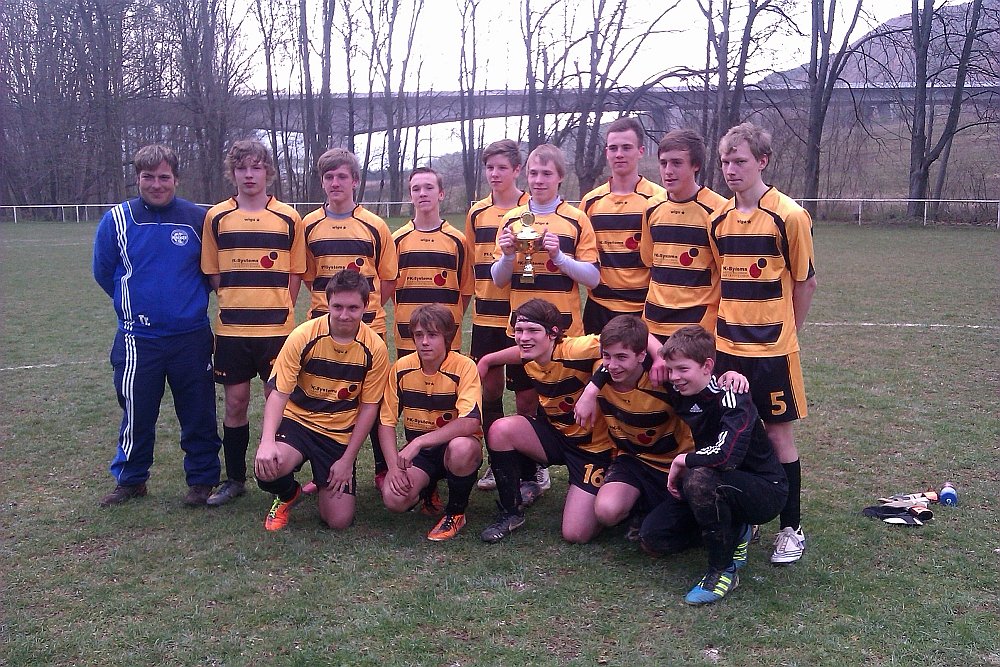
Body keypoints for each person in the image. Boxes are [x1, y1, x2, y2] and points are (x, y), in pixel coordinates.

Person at [709, 122, 818, 564]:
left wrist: (791, 332)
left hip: (773, 350)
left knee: (776, 435)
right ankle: (749, 514)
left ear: (762, 161)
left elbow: (805, 282)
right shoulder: (719, 220)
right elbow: (720, 281)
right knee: (736, 432)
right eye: (725, 161)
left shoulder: (789, 215)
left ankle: (791, 528)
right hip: (727, 348)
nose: (730, 169)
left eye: (740, 161)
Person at [93, 144, 222, 507]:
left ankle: (202, 479)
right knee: (137, 411)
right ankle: (131, 479)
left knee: (198, 411)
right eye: (147, 177)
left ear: (176, 179)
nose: (156, 184)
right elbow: (104, 272)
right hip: (138, 338)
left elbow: (211, 271)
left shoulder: (198, 219)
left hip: (190, 337)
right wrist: (136, 304)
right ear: (137, 179)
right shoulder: (117, 220)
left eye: (164, 177)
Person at [201, 139, 307, 506]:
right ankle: (235, 479)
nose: (249, 174)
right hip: (232, 330)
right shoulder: (216, 217)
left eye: (256, 167)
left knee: (278, 401)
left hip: (276, 331)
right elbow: (213, 272)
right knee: (235, 403)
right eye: (242, 168)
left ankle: (281, 475)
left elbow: (295, 273)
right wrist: (236, 300)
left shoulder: (289, 217)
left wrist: (278, 307)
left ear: (268, 172)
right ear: (232, 173)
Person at [652, 325, 787, 604]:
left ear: (707, 366)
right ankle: (737, 529)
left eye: (683, 369)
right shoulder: (679, 387)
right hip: (719, 480)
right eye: (671, 369)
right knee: (654, 537)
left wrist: (683, 460)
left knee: (698, 479)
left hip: (764, 490)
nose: (674, 377)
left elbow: (726, 456)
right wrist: (593, 388)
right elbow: (632, 342)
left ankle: (722, 570)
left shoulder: (732, 394)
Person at [252, 270, 389, 531]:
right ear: (327, 303)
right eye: (337, 307)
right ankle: (288, 494)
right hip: (298, 422)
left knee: (339, 521)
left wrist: (347, 460)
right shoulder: (303, 335)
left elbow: (369, 408)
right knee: (267, 468)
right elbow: (278, 392)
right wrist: (267, 441)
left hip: (337, 433)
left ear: (366, 306)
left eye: (353, 308)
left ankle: (322, 478)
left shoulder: (375, 348)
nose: (344, 315)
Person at [477, 298, 613, 545]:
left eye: (532, 330)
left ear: (553, 333)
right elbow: (517, 353)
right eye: (519, 330)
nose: (523, 338)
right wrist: (488, 360)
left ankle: (613, 488)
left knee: (575, 534)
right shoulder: (531, 352)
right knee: (501, 429)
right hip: (558, 436)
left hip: (592, 450)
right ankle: (511, 512)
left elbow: (622, 341)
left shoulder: (575, 349)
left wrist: (592, 390)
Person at [301, 148, 397, 489]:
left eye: (342, 176)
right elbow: (309, 276)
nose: (335, 183)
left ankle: (382, 469)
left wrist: (362, 312)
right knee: (325, 399)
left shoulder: (374, 225)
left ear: (355, 181)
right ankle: (324, 472)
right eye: (329, 177)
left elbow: (387, 278)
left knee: (373, 399)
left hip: (369, 328)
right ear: (322, 182)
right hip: (322, 328)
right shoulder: (308, 225)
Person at [464, 140, 548, 495]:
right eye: (490, 168)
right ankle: (498, 460)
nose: (494, 174)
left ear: (517, 170)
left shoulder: (530, 208)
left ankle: (534, 465)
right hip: (486, 314)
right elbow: (472, 262)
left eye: (502, 168)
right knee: (489, 391)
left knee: (527, 395)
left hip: (521, 315)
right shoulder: (476, 213)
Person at [378, 305, 483, 541]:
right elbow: (386, 422)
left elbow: (470, 422)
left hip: (452, 447)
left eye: (433, 335)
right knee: (394, 500)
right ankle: (428, 489)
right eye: (419, 335)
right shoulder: (401, 368)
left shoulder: (464, 367)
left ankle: (455, 513)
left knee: (462, 447)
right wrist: (393, 467)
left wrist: (418, 443)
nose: (425, 342)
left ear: (447, 337)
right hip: (421, 454)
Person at [586, 316, 695, 537]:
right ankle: (642, 507)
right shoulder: (598, 372)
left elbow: (703, 381)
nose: (612, 365)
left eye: (621, 357)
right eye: (607, 356)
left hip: (675, 465)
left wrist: (731, 376)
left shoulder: (665, 380)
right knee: (606, 512)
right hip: (633, 461)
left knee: (683, 521)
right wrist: (590, 390)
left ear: (642, 355)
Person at [493, 144, 600, 339]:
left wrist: (559, 258)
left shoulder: (577, 219)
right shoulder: (511, 220)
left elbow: (593, 279)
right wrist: (507, 257)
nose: (539, 180)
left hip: (565, 330)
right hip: (522, 330)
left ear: (561, 177)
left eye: (547, 174)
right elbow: (498, 281)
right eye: (533, 173)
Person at [580, 117, 665, 334]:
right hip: (598, 307)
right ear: (606, 152)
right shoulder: (590, 201)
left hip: (642, 308)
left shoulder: (658, 199)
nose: (619, 154)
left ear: (640, 151)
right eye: (613, 148)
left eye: (626, 148)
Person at [641, 129, 727, 343]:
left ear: (695, 165)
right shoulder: (651, 207)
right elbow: (650, 262)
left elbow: (726, 272)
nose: (668, 171)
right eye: (663, 163)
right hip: (653, 322)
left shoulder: (719, 210)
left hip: (696, 327)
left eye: (677, 163)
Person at [391, 167, 474, 357]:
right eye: (416, 189)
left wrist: (447, 319)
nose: (422, 193)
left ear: (441, 194)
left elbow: (465, 290)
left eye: (429, 187)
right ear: (411, 196)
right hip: (408, 334)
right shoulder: (397, 239)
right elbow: (391, 288)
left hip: (446, 334)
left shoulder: (458, 240)